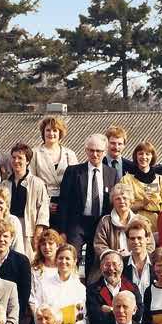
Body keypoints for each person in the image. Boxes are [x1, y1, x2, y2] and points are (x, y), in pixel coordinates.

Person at [58, 134, 117, 271]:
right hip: (77, 223)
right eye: (91, 150)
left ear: (105, 151)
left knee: (95, 260)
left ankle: (91, 289)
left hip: (100, 223)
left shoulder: (112, 173)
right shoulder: (73, 171)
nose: (95, 154)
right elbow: (64, 202)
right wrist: (62, 230)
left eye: (98, 151)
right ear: (85, 150)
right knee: (72, 256)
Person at [31, 246, 87, 324]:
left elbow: (81, 318)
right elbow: (38, 310)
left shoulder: (80, 288)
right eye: (61, 258)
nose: (64, 261)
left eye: (67, 258)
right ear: (56, 260)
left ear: (75, 261)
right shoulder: (44, 283)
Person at [5, 143, 50, 256]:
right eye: (14, 157)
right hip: (9, 227)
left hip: (28, 228)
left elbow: (43, 210)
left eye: (20, 158)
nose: (16, 161)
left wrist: (38, 232)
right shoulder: (5, 184)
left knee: (28, 260)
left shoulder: (37, 183)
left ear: (27, 161)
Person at [90, 184, 138, 279]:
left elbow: (149, 246)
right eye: (117, 199)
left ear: (131, 201)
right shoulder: (105, 221)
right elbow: (99, 245)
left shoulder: (140, 221)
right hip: (110, 268)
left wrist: (131, 254)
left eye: (125, 198)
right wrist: (114, 255)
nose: (122, 201)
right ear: (113, 202)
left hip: (135, 265)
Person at [30, 116, 78, 212]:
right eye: (48, 130)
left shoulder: (70, 154)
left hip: (65, 203)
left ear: (60, 133)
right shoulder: (34, 153)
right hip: (41, 202)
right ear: (43, 132)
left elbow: (75, 182)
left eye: (55, 130)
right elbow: (31, 181)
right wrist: (46, 203)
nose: (51, 133)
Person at [119, 141, 162, 228]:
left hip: (157, 224)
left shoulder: (161, 180)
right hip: (135, 222)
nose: (144, 157)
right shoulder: (127, 179)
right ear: (136, 156)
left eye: (147, 154)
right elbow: (124, 206)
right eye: (140, 154)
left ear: (152, 156)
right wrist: (142, 204)